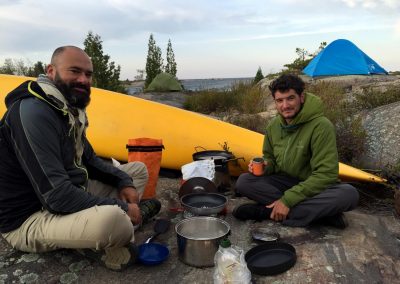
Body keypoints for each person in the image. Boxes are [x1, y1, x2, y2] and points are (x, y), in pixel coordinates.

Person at [0, 46, 161, 271]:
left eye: (88, 74)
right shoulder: (33, 113)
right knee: (114, 220)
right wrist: (120, 207)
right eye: (74, 71)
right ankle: (106, 237)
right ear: (51, 71)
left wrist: (123, 182)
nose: (83, 80)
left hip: (67, 195)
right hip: (30, 217)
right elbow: (56, 197)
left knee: (137, 172)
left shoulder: (65, 108)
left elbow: (91, 160)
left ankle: (92, 236)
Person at [233, 74, 359, 228]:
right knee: (244, 181)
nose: (285, 105)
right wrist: (266, 166)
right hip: (285, 181)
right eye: (280, 100)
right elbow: (270, 158)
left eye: (290, 98)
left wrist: (287, 200)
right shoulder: (273, 126)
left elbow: (326, 174)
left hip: (314, 186)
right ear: (275, 102)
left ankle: (265, 212)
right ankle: (319, 214)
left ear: (302, 97)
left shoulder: (321, 126)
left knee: (349, 194)